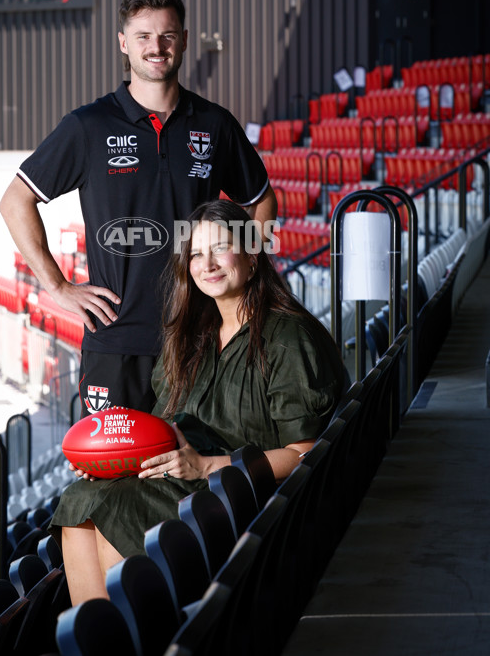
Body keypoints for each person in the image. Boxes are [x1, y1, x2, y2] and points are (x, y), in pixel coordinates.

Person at [0, 0, 277, 416]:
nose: (156, 46)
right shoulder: (87, 126)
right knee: (115, 478)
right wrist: (57, 286)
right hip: (116, 344)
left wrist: (247, 275)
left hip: (200, 335)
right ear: (123, 43)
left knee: (194, 469)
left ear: (184, 41)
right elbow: (14, 201)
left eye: (167, 35)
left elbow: (261, 201)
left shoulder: (215, 124)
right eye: (144, 36)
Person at [52, 199, 346, 605]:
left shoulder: (288, 337)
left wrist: (210, 466)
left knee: (118, 508)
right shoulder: (191, 335)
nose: (207, 264)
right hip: (184, 481)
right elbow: (161, 431)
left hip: (242, 495)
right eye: (196, 253)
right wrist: (108, 460)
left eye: (220, 248)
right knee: (81, 498)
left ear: (252, 254)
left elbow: (306, 454)